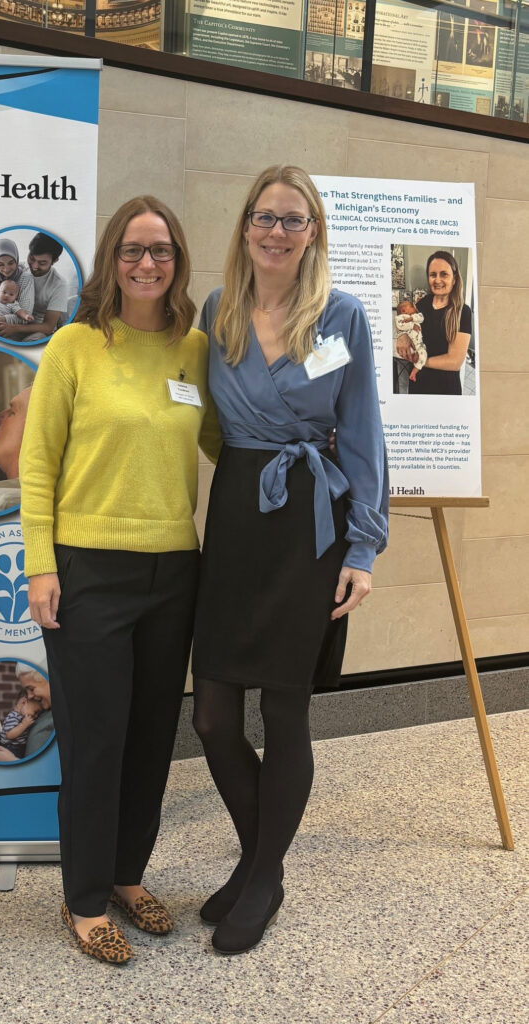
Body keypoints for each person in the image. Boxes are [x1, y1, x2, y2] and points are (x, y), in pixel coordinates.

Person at [192, 165, 388, 955]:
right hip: (238, 511)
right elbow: (201, 420)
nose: (277, 232)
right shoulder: (216, 311)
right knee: (211, 715)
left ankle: (263, 875)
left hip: (310, 519)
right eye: (265, 217)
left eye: (293, 220)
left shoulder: (340, 316)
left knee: (283, 709)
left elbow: (363, 432)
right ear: (244, 226)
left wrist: (363, 545)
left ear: (313, 233)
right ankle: (258, 859)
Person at [20, 195, 219, 964]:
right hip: (89, 570)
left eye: (160, 250)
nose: (146, 263)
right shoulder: (73, 346)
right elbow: (37, 462)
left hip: (174, 571)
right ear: (112, 260)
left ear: (177, 262)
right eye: (133, 250)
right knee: (95, 742)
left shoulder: (193, 349)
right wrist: (41, 565)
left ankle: (127, 877)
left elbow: (223, 442)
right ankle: (82, 900)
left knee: (149, 739)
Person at [398, 251, 472, 396]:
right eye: (433, 275)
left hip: (445, 389)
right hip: (417, 383)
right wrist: (403, 335)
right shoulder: (421, 304)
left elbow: (454, 362)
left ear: (454, 279)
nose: (437, 280)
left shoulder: (463, 312)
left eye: (444, 274)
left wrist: (420, 361)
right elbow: (408, 326)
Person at [0, 233, 69, 343]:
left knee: (36, 338)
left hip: (36, 330)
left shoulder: (59, 284)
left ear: (54, 261)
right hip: (10, 322)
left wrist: (14, 328)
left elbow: (48, 326)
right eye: (32, 258)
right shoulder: (18, 268)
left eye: (42, 263)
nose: (34, 266)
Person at [394, 297, 427, 384]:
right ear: (404, 310)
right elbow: (399, 325)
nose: (415, 307)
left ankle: (415, 370)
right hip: (409, 341)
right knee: (409, 352)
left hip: (419, 343)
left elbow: (421, 318)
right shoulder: (401, 317)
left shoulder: (414, 317)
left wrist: (412, 318)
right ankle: (413, 357)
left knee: (423, 354)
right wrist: (412, 326)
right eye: (412, 306)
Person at [0, 693, 41, 758]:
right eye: (35, 712)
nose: (36, 716)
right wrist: (23, 725)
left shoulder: (23, 717)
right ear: (23, 702)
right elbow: (9, 735)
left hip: (19, 747)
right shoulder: (13, 717)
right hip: (11, 748)